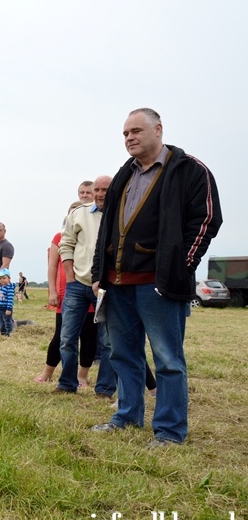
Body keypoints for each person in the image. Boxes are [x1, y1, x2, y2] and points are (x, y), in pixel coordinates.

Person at [91, 108, 222, 447]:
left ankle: (169, 430)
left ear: (158, 129)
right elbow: (108, 228)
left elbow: (207, 220)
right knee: (123, 354)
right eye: (124, 134)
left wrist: (181, 266)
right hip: (118, 284)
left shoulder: (189, 169)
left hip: (158, 284)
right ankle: (127, 415)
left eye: (136, 131)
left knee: (167, 359)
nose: (129, 138)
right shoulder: (124, 174)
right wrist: (99, 274)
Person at [53, 176, 116, 398]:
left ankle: (105, 389)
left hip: (108, 289)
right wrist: (70, 275)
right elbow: (66, 244)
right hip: (78, 285)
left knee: (108, 341)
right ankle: (67, 383)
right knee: (67, 337)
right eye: (97, 189)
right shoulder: (78, 214)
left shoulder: (120, 214)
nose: (100, 194)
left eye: (105, 189)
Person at [34, 201, 98, 385]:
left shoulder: (92, 236)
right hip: (67, 293)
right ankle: (48, 372)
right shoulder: (58, 237)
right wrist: (52, 291)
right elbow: (52, 266)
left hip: (90, 289)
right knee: (62, 336)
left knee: (89, 335)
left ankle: (82, 376)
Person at [0, 269, 16, 336]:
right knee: (0, 320)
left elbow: (10, 299)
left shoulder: (9, 288)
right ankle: (3, 331)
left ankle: (9, 332)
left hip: (6, 307)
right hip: (0, 307)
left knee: (7, 320)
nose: (2, 280)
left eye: (4, 278)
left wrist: (9, 309)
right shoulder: (1, 287)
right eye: (0, 278)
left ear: (9, 278)